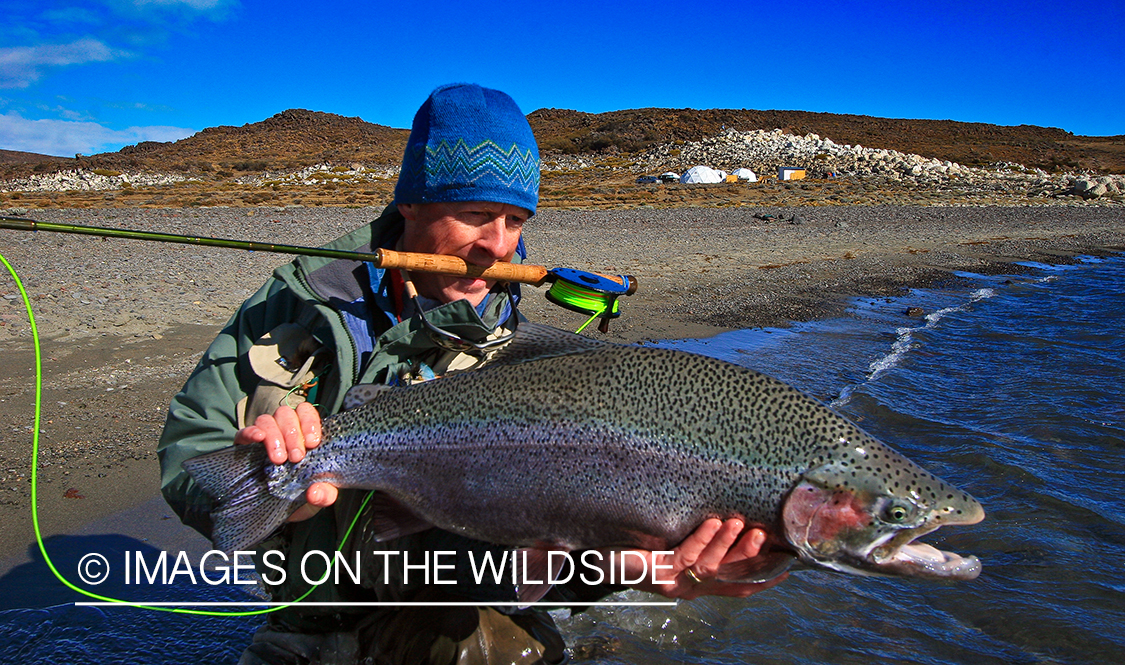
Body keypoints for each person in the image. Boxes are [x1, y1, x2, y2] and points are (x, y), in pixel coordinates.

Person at [158, 83, 783, 665]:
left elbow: (552, 549)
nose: (498, 245)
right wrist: (280, 491)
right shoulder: (304, 302)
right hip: (311, 615)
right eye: (475, 214)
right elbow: (194, 455)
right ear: (411, 203)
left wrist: (637, 567)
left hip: (466, 606)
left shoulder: (522, 354)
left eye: (515, 221)